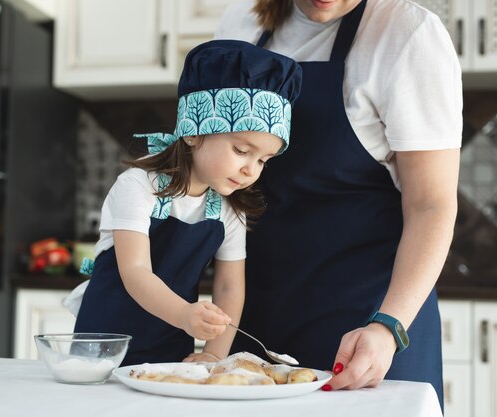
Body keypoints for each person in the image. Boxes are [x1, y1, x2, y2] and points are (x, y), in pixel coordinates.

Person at [215, 0, 462, 408]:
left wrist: (388, 327)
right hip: (252, 314)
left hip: (369, 322)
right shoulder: (237, 24)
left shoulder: (407, 33)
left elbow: (432, 205)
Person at [71, 40, 303, 366]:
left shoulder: (229, 209)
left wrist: (212, 354)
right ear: (193, 132)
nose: (251, 169)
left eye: (264, 159)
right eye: (241, 150)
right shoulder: (138, 186)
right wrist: (184, 313)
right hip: (102, 348)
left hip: (170, 350)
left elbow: (229, 286)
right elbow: (136, 271)